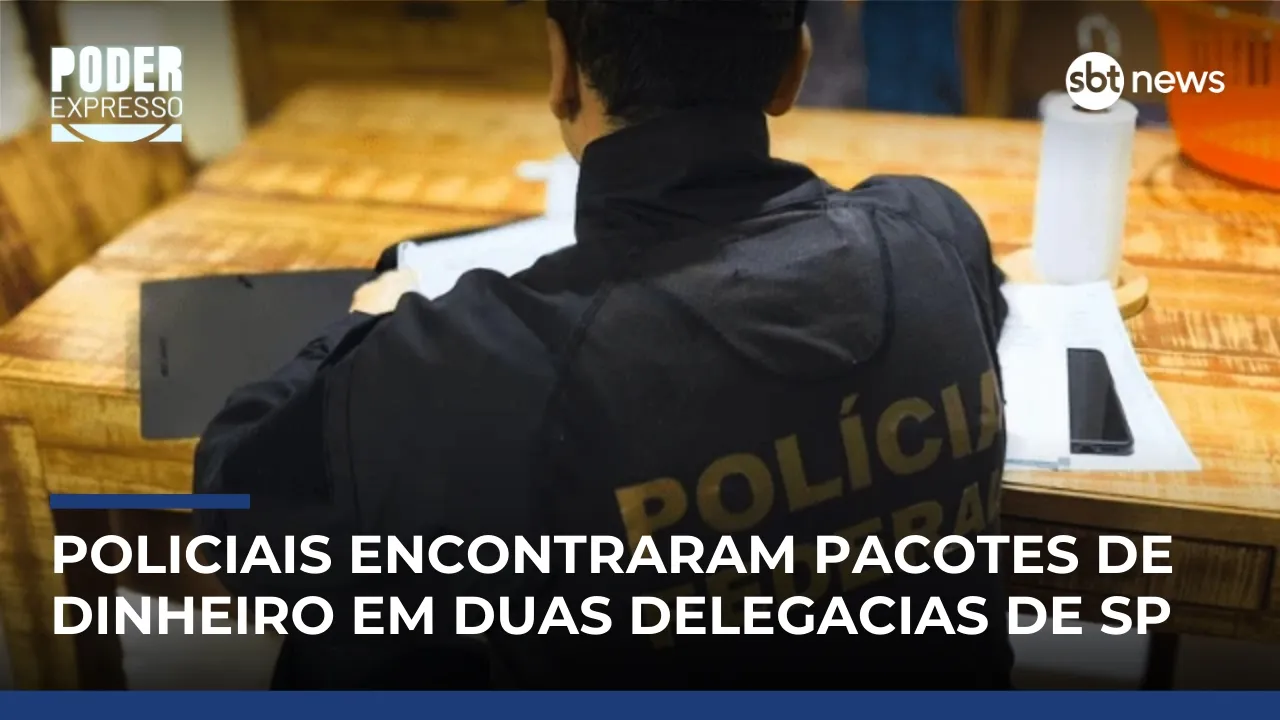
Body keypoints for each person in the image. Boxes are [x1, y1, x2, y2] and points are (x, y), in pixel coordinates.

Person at [195, 0, 1012, 689]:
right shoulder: (934, 231)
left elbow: (236, 504)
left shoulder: (488, 360)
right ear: (793, 69)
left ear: (561, 71)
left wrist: (371, 322)